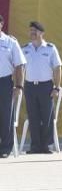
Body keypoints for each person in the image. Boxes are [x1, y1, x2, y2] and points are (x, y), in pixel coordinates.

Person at [21, 21, 62, 154]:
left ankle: (46, 146)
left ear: (42, 33)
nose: (32, 33)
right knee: (33, 116)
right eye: (31, 30)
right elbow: (20, 68)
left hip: (46, 86)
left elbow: (57, 68)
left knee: (47, 117)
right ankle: (35, 146)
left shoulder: (50, 48)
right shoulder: (25, 49)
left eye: (35, 31)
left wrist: (56, 87)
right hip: (30, 86)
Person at [0, 14, 26, 159]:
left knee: (5, 115)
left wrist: (19, 86)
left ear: (1, 24)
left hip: (4, 82)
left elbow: (19, 65)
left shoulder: (10, 42)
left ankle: (4, 148)